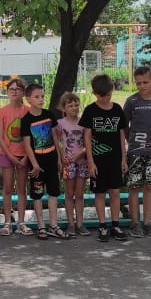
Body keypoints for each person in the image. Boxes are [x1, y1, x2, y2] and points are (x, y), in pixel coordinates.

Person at [82, 73, 128, 243]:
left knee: (115, 191)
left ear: (112, 90)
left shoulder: (117, 109)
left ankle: (115, 225)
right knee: (100, 193)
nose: (105, 98)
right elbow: (87, 137)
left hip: (115, 159)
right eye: (102, 95)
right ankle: (102, 225)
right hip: (97, 161)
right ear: (94, 93)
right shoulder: (90, 110)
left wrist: (124, 158)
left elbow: (122, 134)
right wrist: (90, 162)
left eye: (108, 94)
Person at [124, 65, 151, 238]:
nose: (142, 86)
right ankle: (135, 224)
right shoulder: (131, 101)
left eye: (145, 82)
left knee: (149, 186)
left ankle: (147, 223)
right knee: (134, 187)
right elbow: (124, 126)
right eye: (138, 83)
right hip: (135, 151)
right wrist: (132, 141)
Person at [21, 83, 66, 239]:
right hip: (37, 165)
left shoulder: (49, 115)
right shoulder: (26, 120)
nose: (40, 99)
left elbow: (55, 138)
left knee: (53, 192)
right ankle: (41, 226)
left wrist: (59, 158)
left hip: (51, 161)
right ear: (28, 99)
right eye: (37, 97)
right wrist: (34, 164)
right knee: (37, 195)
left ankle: (53, 224)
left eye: (42, 96)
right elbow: (27, 145)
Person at [0, 78, 30, 235]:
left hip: (24, 155)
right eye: (11, 89)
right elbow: (0, 138)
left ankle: (21, 222)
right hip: (7, 154)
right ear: (7, 92)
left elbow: (32, 137)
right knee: (7, 188)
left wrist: (26, 156)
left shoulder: (28, 111)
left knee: (22, 189)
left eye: (18, 89)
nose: (15, 92)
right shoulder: (1, 112)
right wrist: (10, 155)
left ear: (23, 92)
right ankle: (8, 222)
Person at [56, 92, 88, 237]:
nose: (74, 108)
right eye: (70, 105)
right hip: (68, 163)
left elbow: (88, 143)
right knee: (69, 194)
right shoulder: (60, 123)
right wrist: (61, 155)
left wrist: (80, 154)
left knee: (79, 194)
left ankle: (80, 224)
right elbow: (56, 141)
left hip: (82, 163)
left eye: (76, 105)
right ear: (64, 108)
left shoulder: (83, 122)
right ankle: (70, 224)